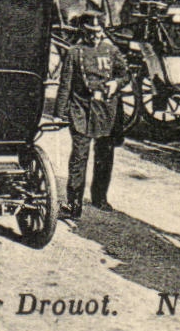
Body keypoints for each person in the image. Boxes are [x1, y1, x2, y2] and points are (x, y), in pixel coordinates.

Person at [54, 11, 128, 220]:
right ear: (82, 31)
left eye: (98, 32)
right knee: (79, 158)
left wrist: (116, 83)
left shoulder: (112, 51)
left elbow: (124, 75)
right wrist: (59, 113)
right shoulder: (74, 52)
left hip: (106, 111)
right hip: (82, 110)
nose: (95, 36)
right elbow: (65, 84)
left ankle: (99, 197)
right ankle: (74, 203)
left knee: (104, 156)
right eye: (90, 32)